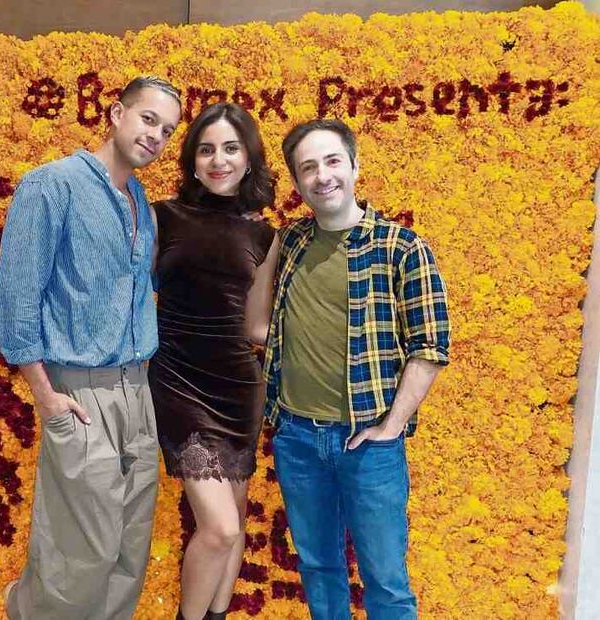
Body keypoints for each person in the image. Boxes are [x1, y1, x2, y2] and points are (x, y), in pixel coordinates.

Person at [0, 75, 182, 620]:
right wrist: (45, 394)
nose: (155, 136)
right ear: (116, 113)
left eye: (166, 131)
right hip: (80, 391)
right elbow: (15, 297)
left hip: (137, 388)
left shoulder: (140, 200)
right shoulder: (51, 186)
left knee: (128, 548)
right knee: (80, 551)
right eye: (148, 120)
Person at [263, 118, 451, 619]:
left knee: (385, 579)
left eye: (331, 161)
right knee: (319, 571)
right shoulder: (293, 242)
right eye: (308, 168)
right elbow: (264, 325)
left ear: (354, 165)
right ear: (298, 183)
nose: (322, 176)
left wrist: (390, 427)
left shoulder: (402, 247)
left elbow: (431, 345)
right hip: (298, 439)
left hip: (369, 444)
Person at [149, 102, 279, 620]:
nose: (218, 160)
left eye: (230, 148)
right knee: (219, 527)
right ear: (191, 160)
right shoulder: (162, 215)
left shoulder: (264, 236)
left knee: (237, 518)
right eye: (206, 149)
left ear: (248, 158)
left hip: (237, 386)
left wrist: (329, 342)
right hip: (178, 381)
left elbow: (254, 327)